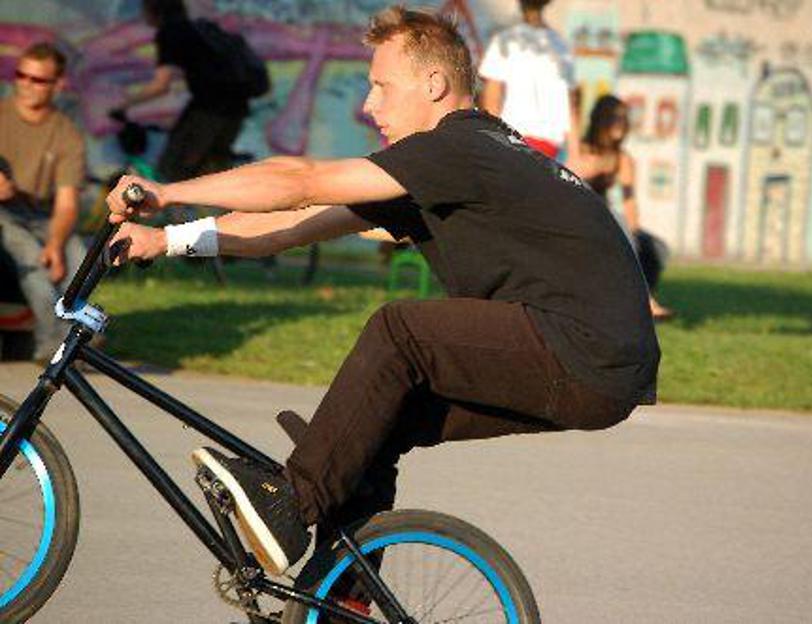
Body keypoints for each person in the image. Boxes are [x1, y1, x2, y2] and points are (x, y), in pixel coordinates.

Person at [107, 6, 660, 577]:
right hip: (598, 364)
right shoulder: (451, 165)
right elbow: (294, 222)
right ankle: (341, 599)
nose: (369, 105)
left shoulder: (459, 148)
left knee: (401, 331)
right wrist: (165, 240)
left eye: (381, 86)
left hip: (586, 349)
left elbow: (302, 182)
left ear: (434, 84)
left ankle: (289, 504)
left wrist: (167, 192)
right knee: (375, 429)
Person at [0, 43, 87, 362]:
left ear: (57, 85)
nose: (25, 84)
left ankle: (78, 338)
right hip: (4, 215)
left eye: (37, 80)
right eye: (21, 75)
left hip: (45, 216)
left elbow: (67, 204)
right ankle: (53, 343)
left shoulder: (67, 134)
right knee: (30, 255)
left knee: (79, 258)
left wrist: (55, 243)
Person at [115, 0, 249, 182]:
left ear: (155, 11)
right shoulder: (198, 30)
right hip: (235, 110)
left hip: (209, 110)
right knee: (211, 171)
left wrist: (123, 106)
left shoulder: (171, 32)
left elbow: (160, 85)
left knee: (173, 172)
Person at [568, 95, 674, 320]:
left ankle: (638, 300)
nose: (621, 124)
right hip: (579, 215)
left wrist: (635, 234)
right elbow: (575, 172)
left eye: (625, 119)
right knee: (617, 222)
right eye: (616, 118)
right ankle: (644, 301)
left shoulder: (622, 159)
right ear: (601, 120)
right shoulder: (582, 149)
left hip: (604, 219)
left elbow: (629, 199)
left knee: (657, 248)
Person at [478, 0, 580, 160]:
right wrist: (575, 154)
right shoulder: (561, 46)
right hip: (551, 151)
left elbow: (493, 99)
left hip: (513, 146)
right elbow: (570, 107)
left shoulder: (504, 41)